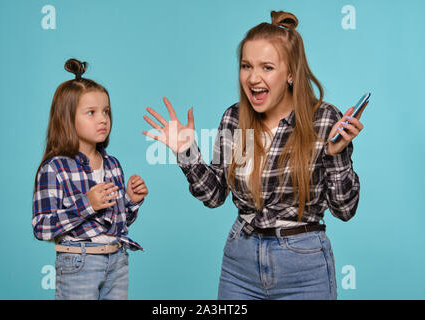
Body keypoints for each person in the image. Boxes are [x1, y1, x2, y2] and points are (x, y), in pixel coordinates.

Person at [142, 11, 366, 300]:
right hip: (241, 262)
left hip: (303, 265)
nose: (253, 77)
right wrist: (187, 152)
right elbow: (214, 196)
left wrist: (336, 155)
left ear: (290, 74)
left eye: (267, 67)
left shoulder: (322, 120)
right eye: (246, 66)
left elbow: (345, 210)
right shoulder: (235, 119)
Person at [32, 59, 148, 300]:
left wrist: (131, 200)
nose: (103, 119)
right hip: (79, 261)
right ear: (67, 118)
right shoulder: (55, 168)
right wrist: (87, 205)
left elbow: (117, 222)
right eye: (91, 113)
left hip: (116, 260)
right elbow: (42, 228)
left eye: (106, 111)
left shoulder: (113, 164)